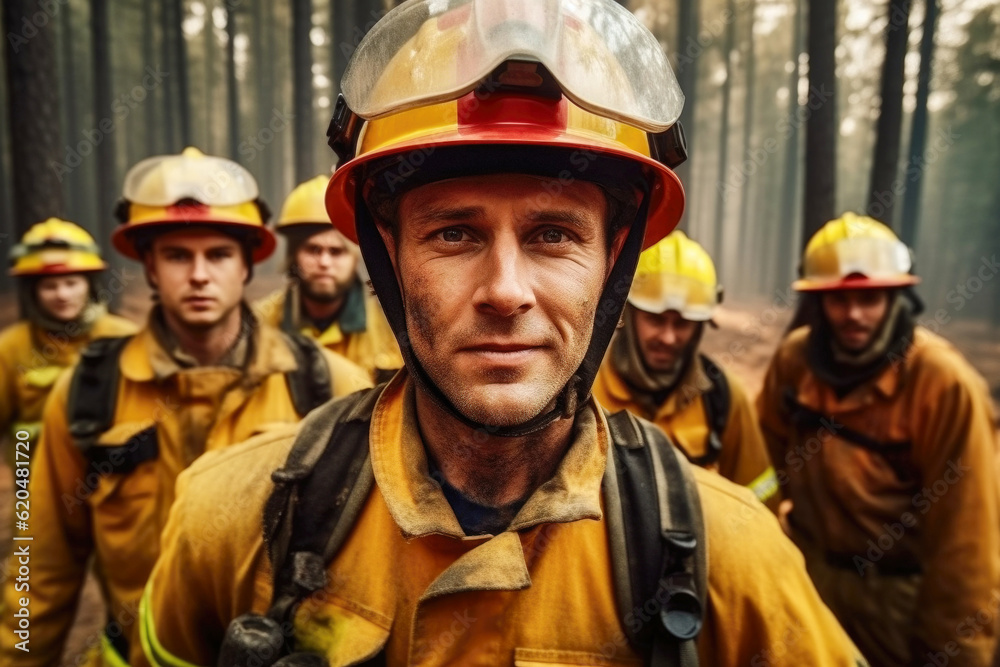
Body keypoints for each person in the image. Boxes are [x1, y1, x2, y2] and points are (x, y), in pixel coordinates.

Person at [138, 3, 866, 666]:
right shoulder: (230, 518)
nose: (506, 292)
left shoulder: (732, 559)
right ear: (387, 256)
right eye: (454, 233)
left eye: (553, 235)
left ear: (614, 262)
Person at [0, 148, 371, 667]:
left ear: (246, 265)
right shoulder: (87, 394)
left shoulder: (328, 385)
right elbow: (40, 564)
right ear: (149, 266)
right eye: (177, 255)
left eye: (218, 254)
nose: (199, 275)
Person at [757, 212, 1000, 666]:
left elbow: (966, 542)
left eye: (870, 298)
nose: (854, 314)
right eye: (839, 300)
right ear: (819, 301)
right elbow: (762, 472)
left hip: (898, 602)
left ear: (896, 296)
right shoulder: (794, 363)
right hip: (807, 580)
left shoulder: (943, 385)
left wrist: (956, 648)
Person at [593, 231, 778, 508]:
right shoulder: (587, 395)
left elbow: (761, 503)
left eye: (682, 323)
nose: (668, 337)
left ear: (700, 325)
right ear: (628, 313)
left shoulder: (723, 399)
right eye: (656, 319)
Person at [0, 218, 136, 473]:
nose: (62, 295)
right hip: (31, 479)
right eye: (50, 286)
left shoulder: (125, 337)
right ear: (33, 292)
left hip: (111, 480)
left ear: (89, 285)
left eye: (71, 283)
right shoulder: (10, 348)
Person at [254, 175, 403, 382]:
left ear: (355, 257)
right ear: (293, 255)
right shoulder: (260, 322)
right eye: (313, 250)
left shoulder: (392, 329)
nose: (324, 262)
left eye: (336, 251)